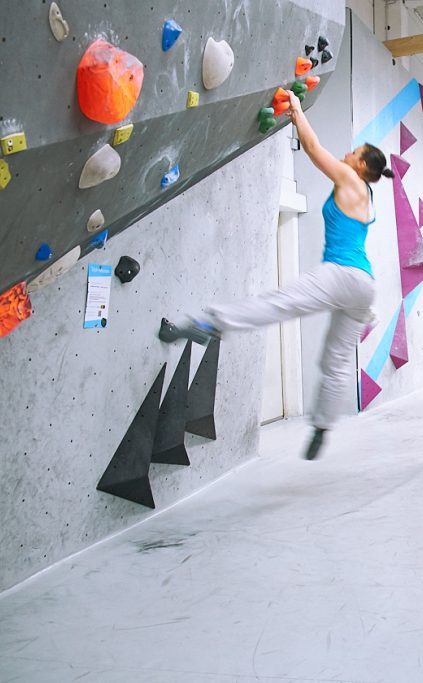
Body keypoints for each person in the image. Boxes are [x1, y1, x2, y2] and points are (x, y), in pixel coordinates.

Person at [165, 90, 392, 460]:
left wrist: (298, 110)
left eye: (354, 153)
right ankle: (322, 426)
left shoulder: (351, 180)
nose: (347, 155)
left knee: (280, 304)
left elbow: (315, 148)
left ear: (362, 166)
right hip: (364, 288)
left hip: (342, 274)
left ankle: (210, 323)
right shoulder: (366, 195)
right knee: (333, 362)